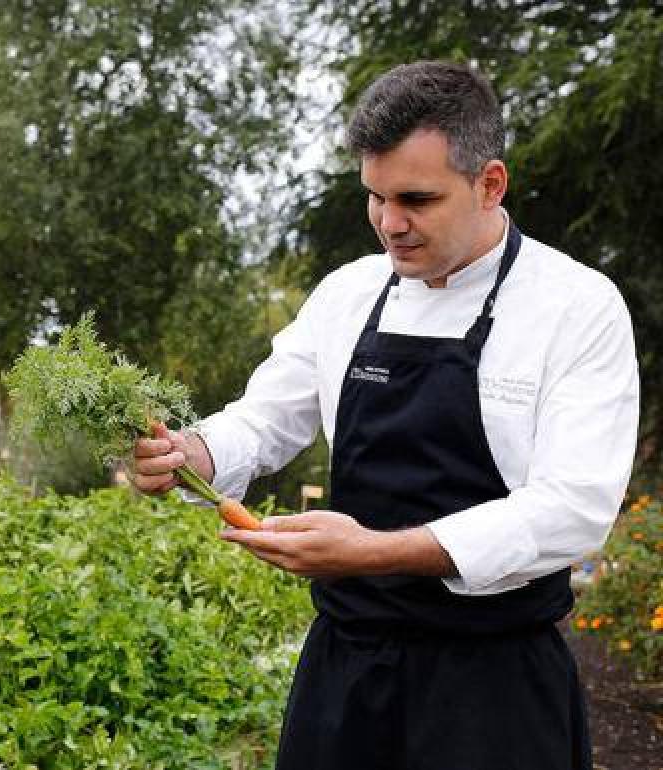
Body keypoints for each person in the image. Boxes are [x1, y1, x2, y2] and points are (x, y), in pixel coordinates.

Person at [131, 60, 638, 770]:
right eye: (374, 197)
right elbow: (266, 417)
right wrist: (195, 453)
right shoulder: (349, 293)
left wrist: (372, 551)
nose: (388, 224)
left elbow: (571, 510)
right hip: (346, 678)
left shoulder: (576, 307)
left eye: (416, 200)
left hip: (492, 693)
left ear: (490, 184)